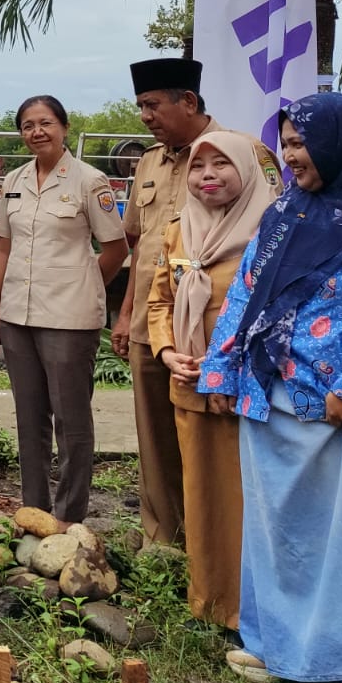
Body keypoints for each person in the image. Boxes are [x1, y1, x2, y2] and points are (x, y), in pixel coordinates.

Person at [197, 93, 342, 683]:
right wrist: (222, 367)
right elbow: (246, 295)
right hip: (272, 396)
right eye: (287, 144)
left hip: (339, 407)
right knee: (279, 532)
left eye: (303, 143)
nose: (293, 155)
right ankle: (280, 649)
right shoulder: (285, 212)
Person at [114, 57, 278, 544]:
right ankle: (163, 542)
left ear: (188, 101)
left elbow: (270, 239)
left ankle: (221, 545)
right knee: (156, 440)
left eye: (153, 104)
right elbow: (140, 248)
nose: (145, 115)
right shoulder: (147, 161)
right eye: (141, 105)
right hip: (154, 325)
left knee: (217, 446)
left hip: (218, 336)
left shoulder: (243, 153)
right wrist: (125, 316)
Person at [147, 133, 276, 629]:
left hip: (243, 391)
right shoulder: (180, 231)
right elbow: (160, 300)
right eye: (199, 166)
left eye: (222, 164)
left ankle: (253, 614)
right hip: (190, 384)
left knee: (246, 501)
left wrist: (232, 369)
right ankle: (209, 603)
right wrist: (167, 351)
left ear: (246, 170)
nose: (208, 175)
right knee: (201, 497)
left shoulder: (272, 232)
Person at [0, 95, 127, 522]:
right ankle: (34, 509)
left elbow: (116, 248)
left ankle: (69, 515)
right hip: (17, 316)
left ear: (64, 127)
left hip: (69, 317)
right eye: (27, 125)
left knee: (71, 420)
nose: (36, 132)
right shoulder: (14, 181)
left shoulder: (89, 181)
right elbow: (2, 246)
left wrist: (85, 284)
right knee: (29, 417)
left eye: (45, 123)